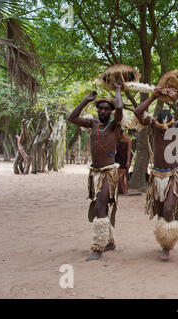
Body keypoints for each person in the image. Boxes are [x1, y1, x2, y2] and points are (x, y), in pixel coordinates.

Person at [134, 87, 178, 261]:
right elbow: (138, 112)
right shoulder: (153, 124)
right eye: (162, 128)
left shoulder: (177, 125)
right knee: (160, 213)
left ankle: (167, 247)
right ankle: (163, 242)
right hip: (157, 175)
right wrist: (154, 96)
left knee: (168, 209)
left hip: (172, 175)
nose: (165, 130)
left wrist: (175, 100)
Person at [68, 81, 124, 261]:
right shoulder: (93, 124)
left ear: (111, 111)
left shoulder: (115, 125)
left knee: (100, 205)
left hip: (108, 172)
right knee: (102, 206)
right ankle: (110, 242)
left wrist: (117, 90)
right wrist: (85, 101)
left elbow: (121, 108)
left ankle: (98, 247)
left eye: (107, 109)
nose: (103, 111)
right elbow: (72, 118)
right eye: (100, 108)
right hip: (95, 172)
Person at [115, 129, 132, 195]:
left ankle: (125, 190)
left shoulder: (128, 139)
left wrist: (128, 161)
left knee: (125, 173)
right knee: (118, 173)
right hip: (117, 157)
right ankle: (119, 190)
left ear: (122, 135)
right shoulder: (116, 139)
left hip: (125, 158)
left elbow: (128, 151)